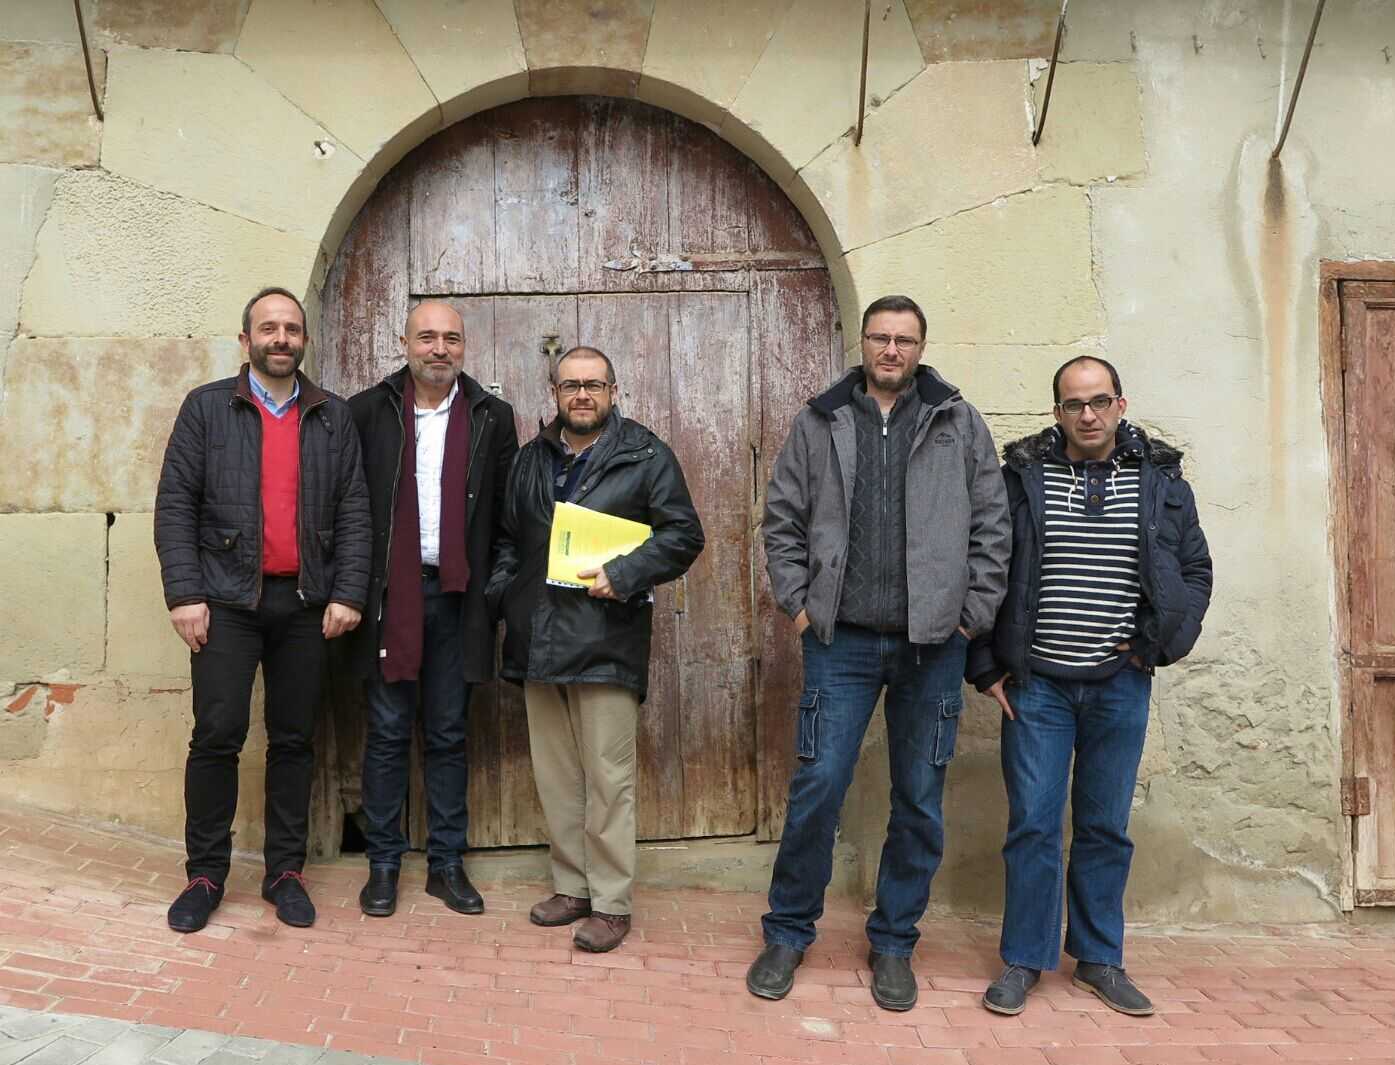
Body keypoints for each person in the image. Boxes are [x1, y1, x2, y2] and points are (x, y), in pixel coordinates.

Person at [747, 295, 1011, 1011]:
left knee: (919, 801)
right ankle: (788, 931)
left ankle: (894, 942)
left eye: (905, 340)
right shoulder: (821, 418)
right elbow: (783, 519)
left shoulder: (957, 421)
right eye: (880, 338)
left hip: (934, 646)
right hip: (843, 643)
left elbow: (993, 523)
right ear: (862, 342)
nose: (891, 350)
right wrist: (799, 605)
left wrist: (970, 617)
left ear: (922, 347)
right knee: (819, 787)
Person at [967, 355, 1212, 1017]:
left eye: (1100, 401)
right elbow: (986, 567)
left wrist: (1162, 645)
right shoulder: (1022, 478)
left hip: (1119, 685)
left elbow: (1195, 570)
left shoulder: (1160, 480)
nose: (1088, 414)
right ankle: (1024, 961)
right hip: (1037, 685)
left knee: (1105, 827)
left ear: (1121, 405)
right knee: (1034, 827)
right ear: (1057, 413)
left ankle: (1100, 959)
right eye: (1074, 404)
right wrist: (985, 665)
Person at [155, 286, 370, 933]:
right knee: (217, 737)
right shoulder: (207, 408)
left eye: (292, 328)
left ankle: (285, 872)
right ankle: (205, 874)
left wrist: (349, 591)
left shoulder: (332, 416)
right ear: (246, 341)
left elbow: (356, 512)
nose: (282, 338)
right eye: (269, 328)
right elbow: (174, 506)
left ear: (303, 341)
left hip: (305, 604)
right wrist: (185, 594)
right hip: (224, 600)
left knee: (294, 740)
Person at [487, 346, 703, 953]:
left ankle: (611, 901)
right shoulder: (530, 459)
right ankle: (572, 886)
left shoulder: (645, 453)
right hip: (537, 638)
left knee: (609, 779)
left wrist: (628, 573)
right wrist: (506, 595)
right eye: (571, 386)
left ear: (614, 391)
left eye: (594, 386)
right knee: (557, 777)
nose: (582, 395)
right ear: (553, 391)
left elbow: (684, 534)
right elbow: (507, 539)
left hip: (606, 638)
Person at [347, 301, 518, 917]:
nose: (438, 348)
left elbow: (506, 519)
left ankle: (446, 864)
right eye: (427, 337)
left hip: (458, 599)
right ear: (405, 343)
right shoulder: (368, 411)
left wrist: (492, 591)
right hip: (391, 598)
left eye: (451, 338)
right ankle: (384, 865)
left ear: (464, 348)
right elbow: (348, 507)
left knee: (449, 734)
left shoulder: (493, 417)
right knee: (388, 732)